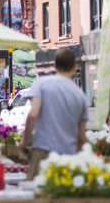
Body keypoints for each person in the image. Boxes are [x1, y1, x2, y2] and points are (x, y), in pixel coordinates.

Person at [20, 48, 87, 180]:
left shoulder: (41, 83)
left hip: (43, 153)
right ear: (74, 67)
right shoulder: (80, 95)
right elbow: (82, 137)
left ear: (55, 66)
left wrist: (25, 141)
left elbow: (33, 114)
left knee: (38, 194)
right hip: (68, 158)